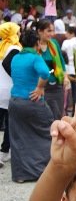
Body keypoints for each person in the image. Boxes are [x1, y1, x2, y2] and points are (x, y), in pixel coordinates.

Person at [8, 29, 53, 182]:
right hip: (31, 101)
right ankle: (42, 172)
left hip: (15, 101)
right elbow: (45, 73)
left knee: (18, 137)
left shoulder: (15, 58)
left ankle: (20, 175)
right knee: (46, 132)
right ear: (37, 43)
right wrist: (40, 88)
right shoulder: (35, 57)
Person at [35, 19, 68, 120]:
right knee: (43, 116)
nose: (52, 34)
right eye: (48, 31)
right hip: (40, 86)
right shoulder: (34, 46)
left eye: (53, 31)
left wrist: (65, 77)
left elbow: (61, 62)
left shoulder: (54, 44)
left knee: (57, 114)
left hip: (57, 85)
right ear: (40, 31)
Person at [0, 23, 22, 168]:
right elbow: (8, 65)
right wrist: (17, 77)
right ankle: (4, 151)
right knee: (10, 123)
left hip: (0, 89)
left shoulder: (2, 47)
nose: (20, 33)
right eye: (18, 31)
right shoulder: (15, 48)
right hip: (9, 90)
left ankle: (4, 151)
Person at [61, 26, 76, 115]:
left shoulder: (66, 42)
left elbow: (62, 55)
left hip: (67, 69)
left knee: (66, 92)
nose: (65, 34)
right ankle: (75, 111)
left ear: (71, 33)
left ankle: (65, 111)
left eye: (67, 32)